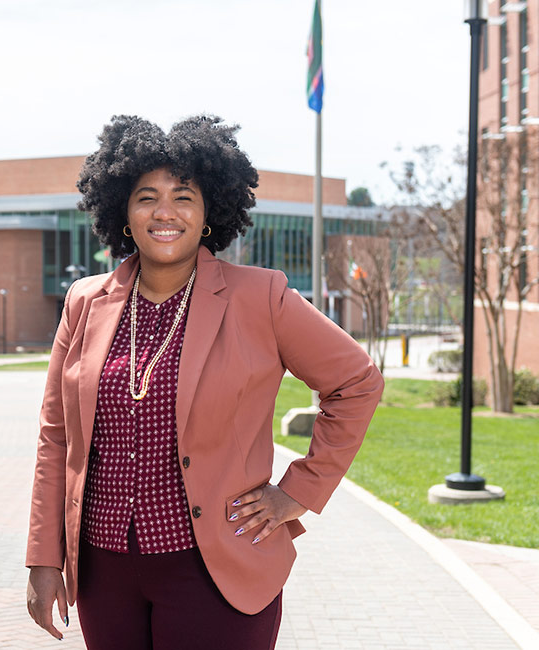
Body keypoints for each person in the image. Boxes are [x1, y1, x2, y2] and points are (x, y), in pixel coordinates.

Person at [25, 115, 383, 649]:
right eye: (146, 197)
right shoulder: (84, 301)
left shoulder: (260, 297)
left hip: (216, 570)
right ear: (122, 210)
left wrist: (298, 491)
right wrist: (43, 558)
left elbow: (356, 381)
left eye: (183, 197)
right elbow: (56, 437)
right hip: (105, 574)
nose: (164, 212)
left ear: (209, 210)